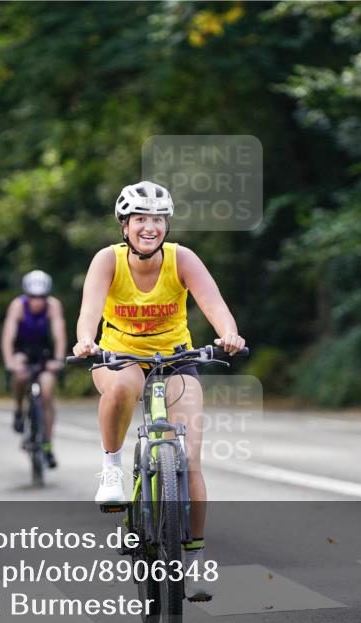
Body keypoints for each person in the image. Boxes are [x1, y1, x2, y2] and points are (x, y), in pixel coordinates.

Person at [71, 180, 245, 601]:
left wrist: (229, 333)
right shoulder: (107, 261)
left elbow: (214, 303)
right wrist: (84, 341)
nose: (150, 227)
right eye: (140, 219)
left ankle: (196, 560)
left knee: (190, 458)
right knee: (123, 386)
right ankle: (112, 468)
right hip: (118, 358)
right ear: (124, 225)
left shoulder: (181, 258)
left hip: (176, 360)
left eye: (157, 219)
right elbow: (90, 311)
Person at [1, 270, 66, 468]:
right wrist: (9, 360)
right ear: (26, 295)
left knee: (46, 392)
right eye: (33, 297)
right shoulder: (18, 306)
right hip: (23, 351)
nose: (37, 301)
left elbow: (59, 334)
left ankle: (47, 445)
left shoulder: (53, 306)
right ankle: (19, 410)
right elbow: (8, 336)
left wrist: (58, 359)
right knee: (20, 375)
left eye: (41, 297)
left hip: (45, 353)